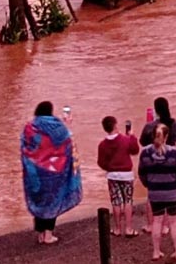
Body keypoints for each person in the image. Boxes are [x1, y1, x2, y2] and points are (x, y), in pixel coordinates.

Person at [20, 101, 82, 245]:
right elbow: (68, 143)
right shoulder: (58, 127)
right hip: (54, 173)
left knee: (39, 201)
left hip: (34, 173)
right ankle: (48, 235)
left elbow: (25, 148)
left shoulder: (29, 127)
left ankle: (40, 234)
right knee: (52, 201)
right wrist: (67, 125)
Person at [139, 124, 176, 262]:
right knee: (174, 222)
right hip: (172, 192)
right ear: (166, 137)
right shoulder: (175, 153)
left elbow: (142, 173)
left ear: (153, 136)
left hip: (155, 192)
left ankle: (156, 251)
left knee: (157, 221)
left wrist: (149, 185)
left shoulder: (145, 153)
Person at [140, 97, 176, 233]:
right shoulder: (175, 124)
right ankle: (165, 226)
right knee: (168, 195)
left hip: (154, 158)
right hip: (171, 159)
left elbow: (142, 141)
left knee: (152, 195)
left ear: (156, 110)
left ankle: (151, 224)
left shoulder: (150, 126)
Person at [97, 115, 140, 237]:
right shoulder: (125, 140)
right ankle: (129, 228)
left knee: (116, 201)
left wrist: (109, 167)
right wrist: (132, 136)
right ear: (116, 125)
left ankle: (117, 228)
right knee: (128, 200)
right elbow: (135, 150)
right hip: (126, 174)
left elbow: (101, 162)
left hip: (112, 175)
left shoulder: (102, 145)